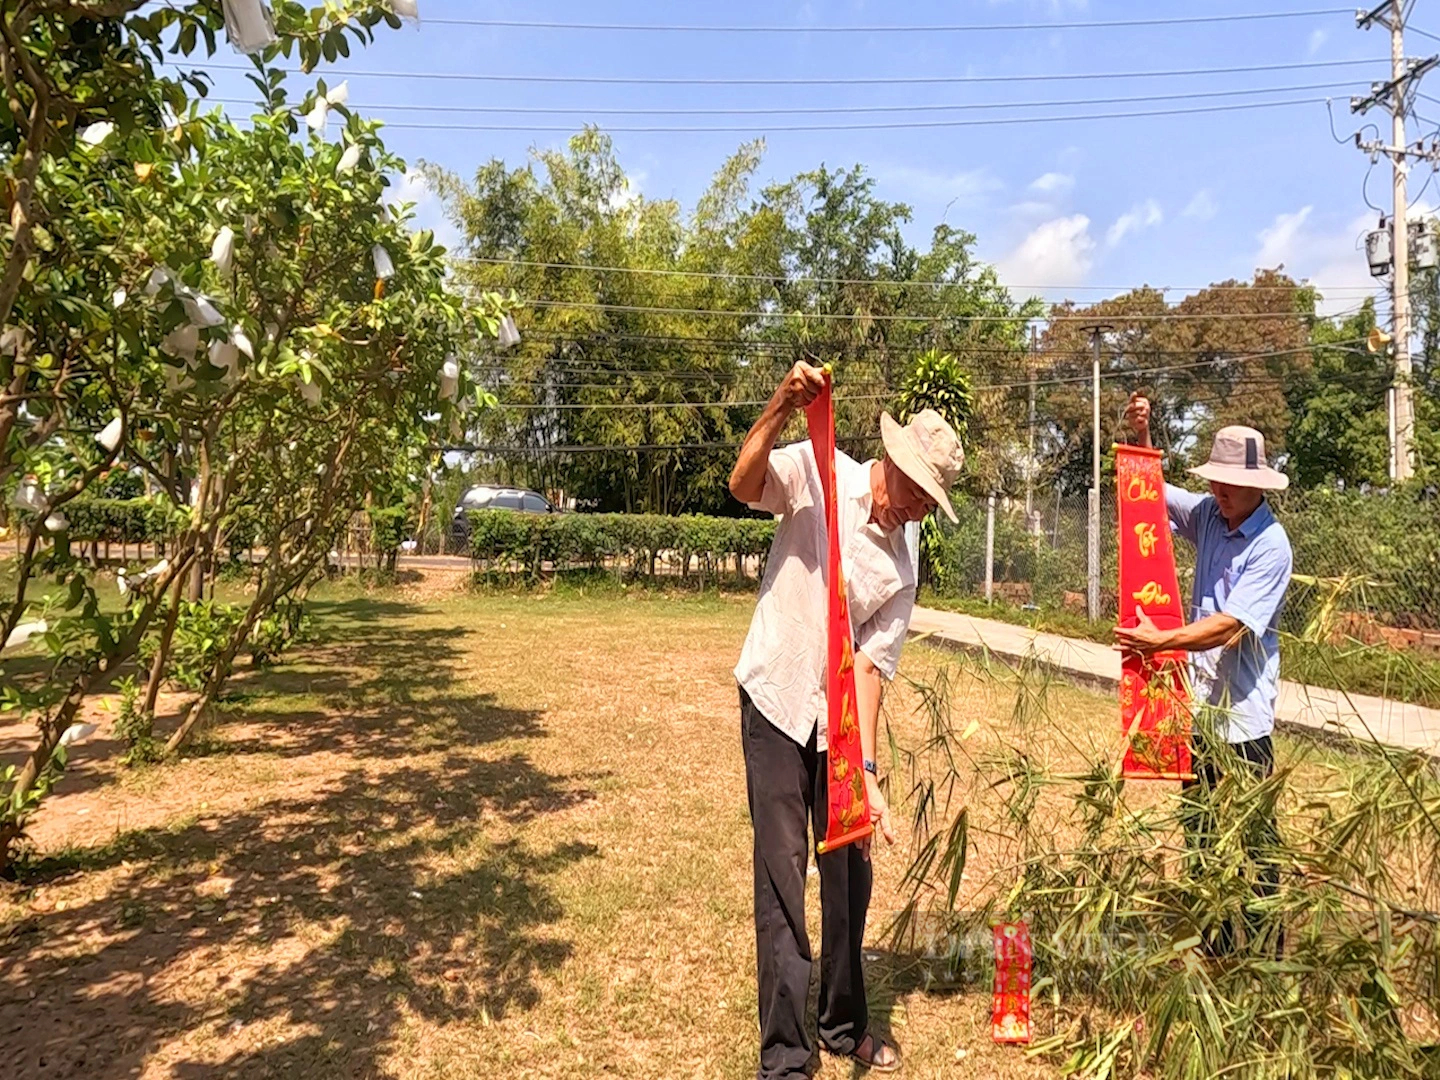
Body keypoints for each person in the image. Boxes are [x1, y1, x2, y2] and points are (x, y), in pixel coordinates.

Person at [729, 359, 965, 1079]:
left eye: (933, 501)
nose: (919, 509)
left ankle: (839, 1023)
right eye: (917, 491)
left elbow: (871, 664)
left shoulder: (908, 551)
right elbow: (743, 486)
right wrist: (777, 406)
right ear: (890, 464)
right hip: (775, 696)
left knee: (850, 874)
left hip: (837, 723)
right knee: (782, 877)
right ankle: (788, 1059)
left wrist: (865, 770)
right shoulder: (817, 472)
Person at [1115, 392, 1294, 953]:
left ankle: (1265, 948)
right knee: (1201, 831)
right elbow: (1152, 496)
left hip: (1242, 720)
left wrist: (1160, 641)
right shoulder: (1211, 517)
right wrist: (1144, 437)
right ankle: (1214, 941)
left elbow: (1230, 626)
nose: (1216, 490)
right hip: (1198, 711)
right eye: (1213, 480)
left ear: (1258, 487)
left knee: (1254, 840)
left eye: (1227, 483)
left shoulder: (1271, 546)